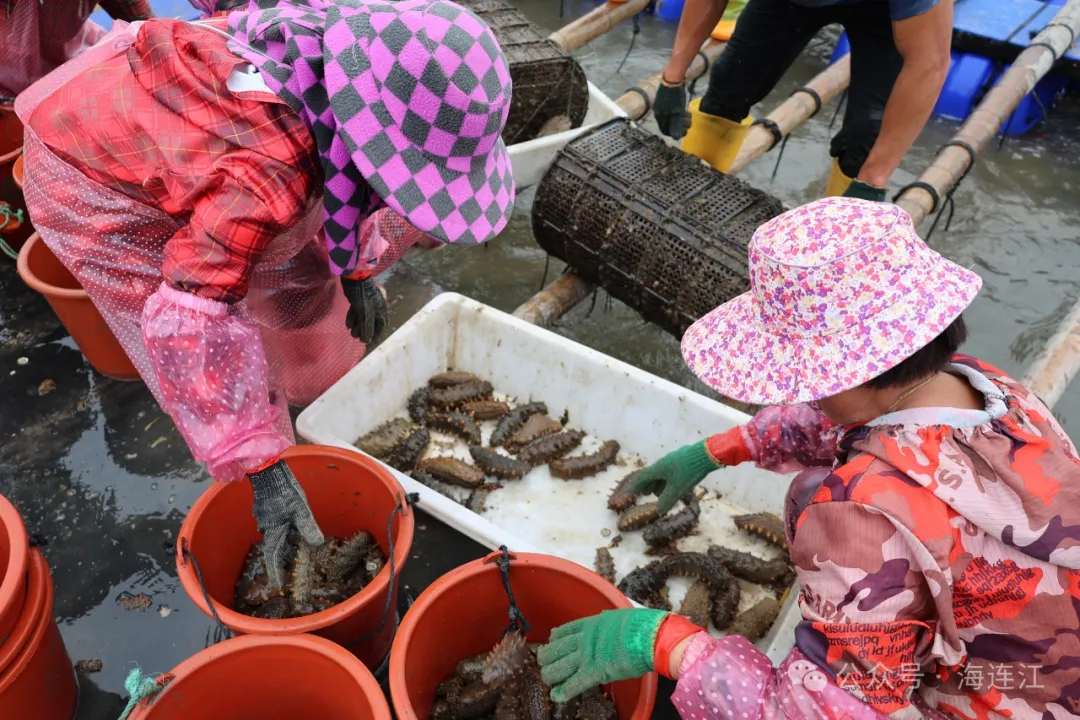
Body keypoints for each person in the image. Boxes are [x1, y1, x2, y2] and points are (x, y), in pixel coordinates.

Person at [16, 0, 514, 586]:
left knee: (286, 246)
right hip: (90, 167)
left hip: (198, 126)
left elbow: (349, 180)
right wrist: (262, 470)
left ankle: (295, 386)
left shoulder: (350, 48)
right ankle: (254, 438)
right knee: (208, 300)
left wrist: (355, 273)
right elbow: (191, 316)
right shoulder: (266, 171)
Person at [538, 197, 1080, 718]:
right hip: (1053, 680)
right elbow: (870, 421)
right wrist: (728, 447)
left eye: (804, 379)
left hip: (994, 704)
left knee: (817, 496)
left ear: (847, 374)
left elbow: (804, 712)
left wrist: (668, 644)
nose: (800, 393)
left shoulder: (857, 512)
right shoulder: (993, 390)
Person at [651, 0, 953, 200]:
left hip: (882, 12)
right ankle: (692, 197)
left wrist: (873, 179)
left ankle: (835, 251)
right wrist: (673, 77)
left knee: (866, 137)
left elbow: (930, 63)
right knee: (730, 82)